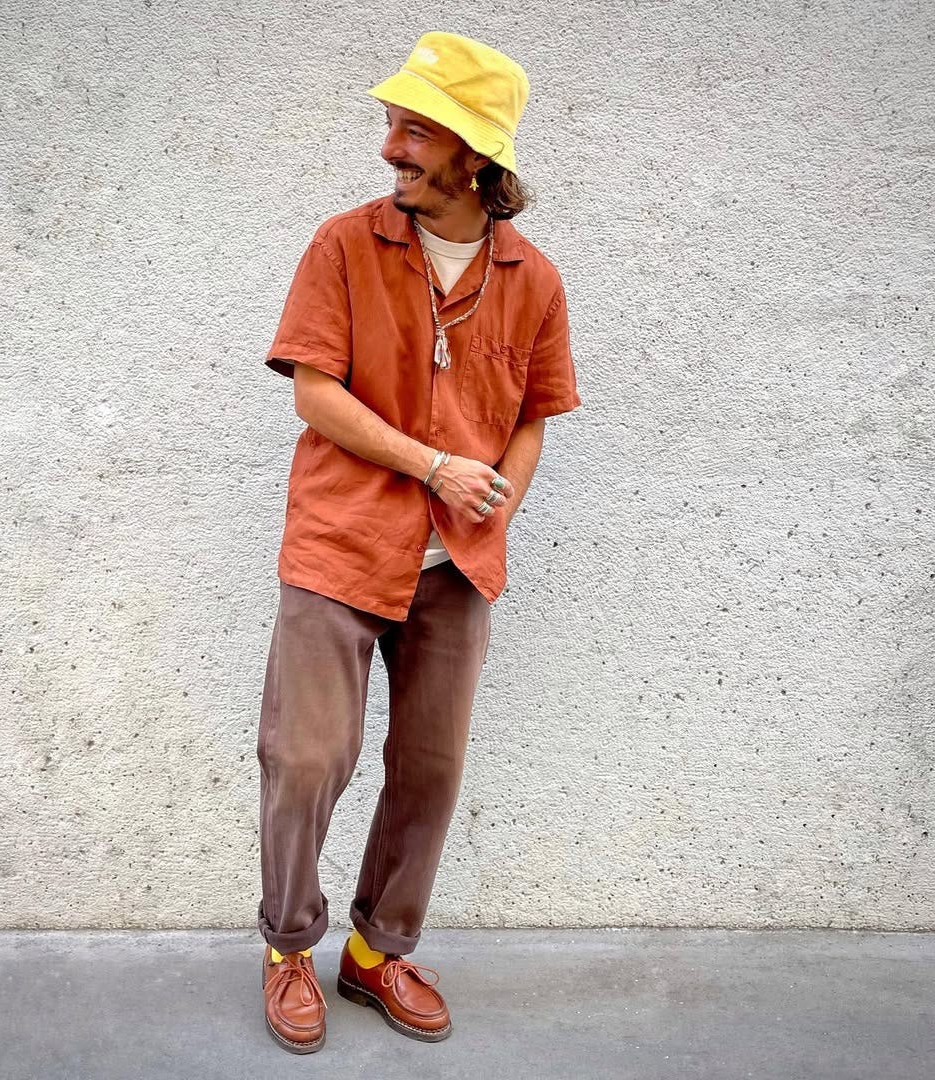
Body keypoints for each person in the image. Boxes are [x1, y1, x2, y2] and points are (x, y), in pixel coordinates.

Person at [257, 30, 580, 1054]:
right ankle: (289, 951)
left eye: (415, 132)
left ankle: (374, 953)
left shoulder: (533, 278)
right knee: (307, 760)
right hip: (342, 544)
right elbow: (315, 390)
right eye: (392, 126)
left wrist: (502, 504)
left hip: (458, 567)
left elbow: (534, 413)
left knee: (430, 770)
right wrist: (432, 466)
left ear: (475, 157)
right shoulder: (343, 245)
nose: (392, 149)